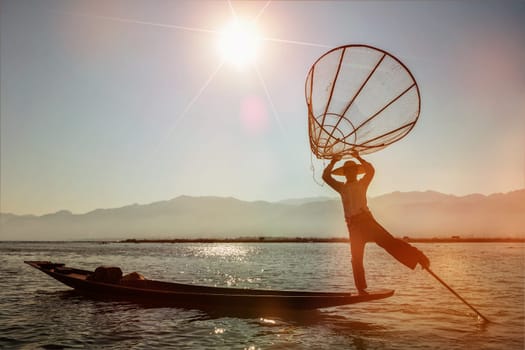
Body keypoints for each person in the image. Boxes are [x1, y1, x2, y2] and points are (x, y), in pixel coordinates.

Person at [322, 151, 430, 294]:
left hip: (367, 223)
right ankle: (361, 289)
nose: (351, 173)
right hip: (353, 227)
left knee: (390, 243)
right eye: (348, 171)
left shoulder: (362, 183)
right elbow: (325, 177)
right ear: (345, 173)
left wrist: (358, 157)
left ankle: (420, 258)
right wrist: (333, 162)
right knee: (356, 258)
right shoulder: (342, 187)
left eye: (353, 170)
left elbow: (371, 171)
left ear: (356, 172)